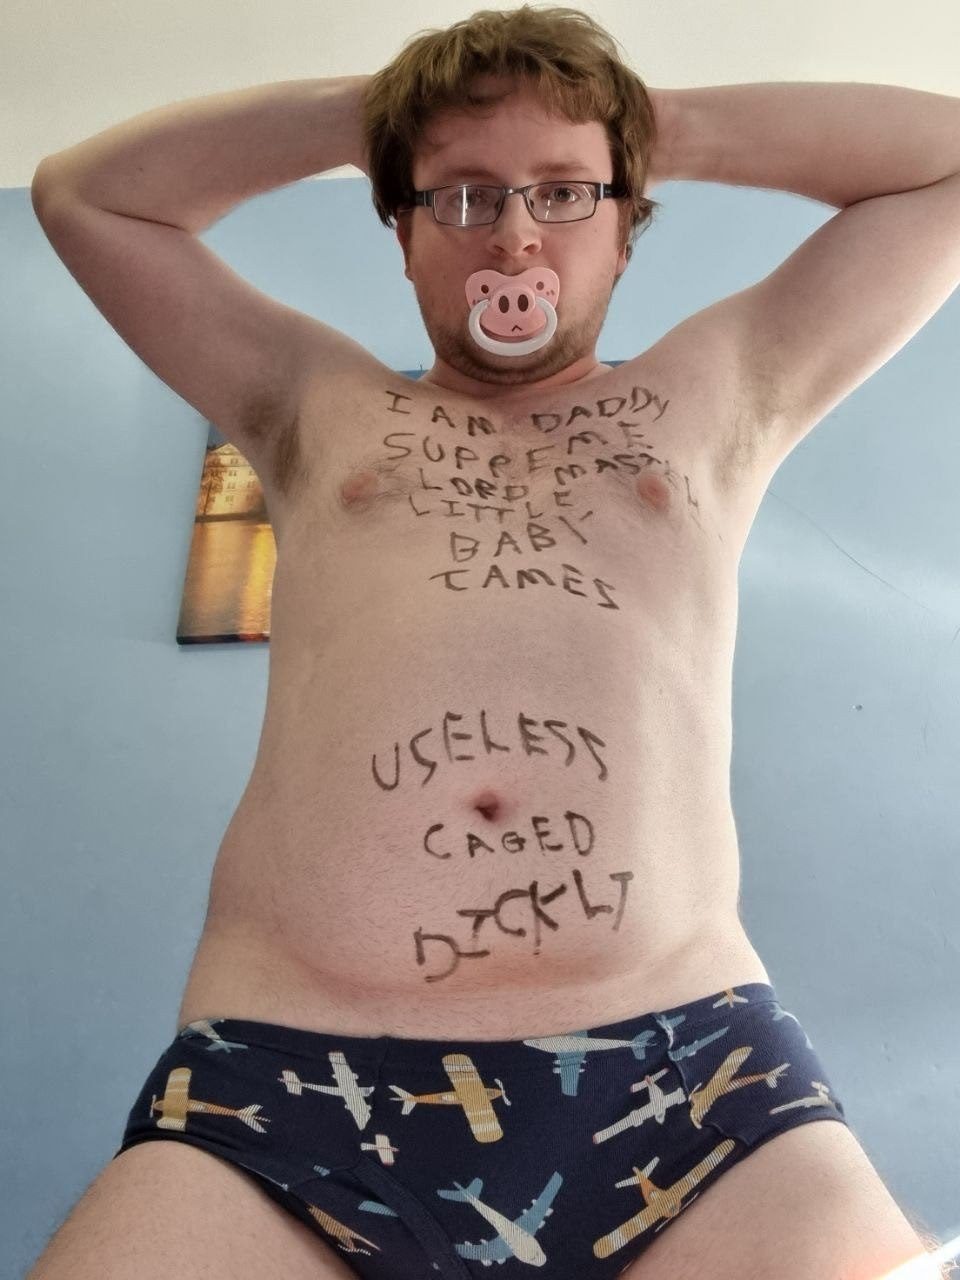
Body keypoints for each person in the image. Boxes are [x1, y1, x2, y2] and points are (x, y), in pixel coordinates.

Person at [27, 7, 958, 1279]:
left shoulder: (716, 392)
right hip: (290, 1077)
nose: (516, 235)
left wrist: (644, 123)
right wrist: (377, 118)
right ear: (401, 228)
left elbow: (944, 165)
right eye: (463, 196)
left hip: (685, 1076)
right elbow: (87, 197)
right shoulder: (312, 400)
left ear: (625, 227)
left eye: (563, 193)